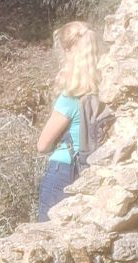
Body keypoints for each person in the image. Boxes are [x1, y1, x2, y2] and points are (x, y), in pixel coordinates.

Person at [34, 21, 100, 222]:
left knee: (46, 236)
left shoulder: (70, 97)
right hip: (90, 173)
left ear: (70, 52)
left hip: (63, 170)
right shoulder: (104, 92)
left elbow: (42, 145)